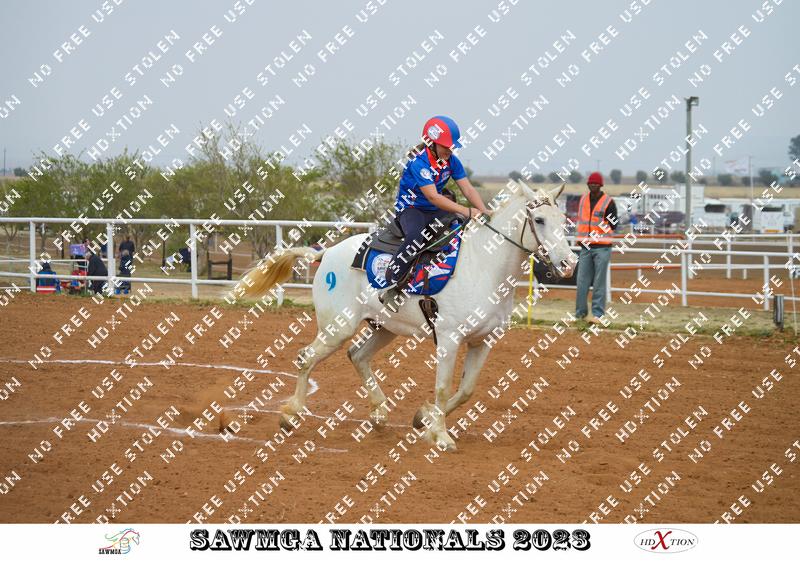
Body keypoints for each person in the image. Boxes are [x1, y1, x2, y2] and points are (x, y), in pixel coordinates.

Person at [381, 116, 489, 308]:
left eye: (452, 146)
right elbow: (433, 197)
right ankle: (392, 284)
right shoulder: (419, 163)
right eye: (446, 146)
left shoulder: (452, 161)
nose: (450, 150)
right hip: (411, 209)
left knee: (459, 228)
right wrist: (466, 210)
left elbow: (468, 189)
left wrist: (483, 210)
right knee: (415, 238)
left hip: (434, 211)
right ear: (431, 143)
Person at [575, 172, 618, 323]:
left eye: (596, 183)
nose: (593, 185)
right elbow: (581, 220)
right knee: (581, 282)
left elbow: (614, 224)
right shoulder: (583, 200)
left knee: (599, 283)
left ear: (600, 185)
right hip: (585, 247)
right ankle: (580, 314)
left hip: (602, 247)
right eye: (591, 183)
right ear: (588, 184)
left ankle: (598, 315)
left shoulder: (608, 202)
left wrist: (599, 229)